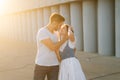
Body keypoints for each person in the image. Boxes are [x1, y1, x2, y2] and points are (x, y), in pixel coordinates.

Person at [34, 13, 68, 80]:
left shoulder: (56, 33)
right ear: (54, 23)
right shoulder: (42, 32)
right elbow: (52, 47)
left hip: (54, 65)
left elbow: (57, 48)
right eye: (60, 25)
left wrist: (60, 59)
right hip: (42, 65)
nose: (60, 27)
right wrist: (64, 39)